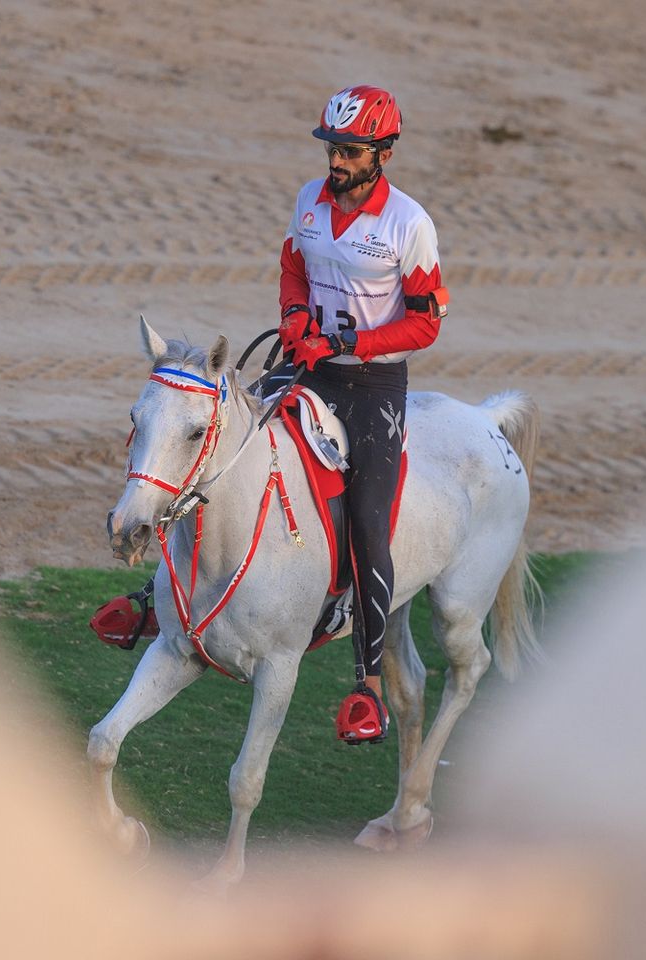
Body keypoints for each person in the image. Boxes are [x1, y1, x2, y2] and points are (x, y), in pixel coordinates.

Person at [278, 85, 448, 742]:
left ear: (384, 152)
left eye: (350, 151)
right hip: (309, 367)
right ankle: (168, 602)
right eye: (333, 148)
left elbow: (426, 323)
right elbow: (293, 267)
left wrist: (352, 343)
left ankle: (368, 686)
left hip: (374, 389)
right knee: (228, 445)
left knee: (369, 527)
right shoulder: (308, 202)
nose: (337, 162)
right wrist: (294, 315)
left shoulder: (409, 224)